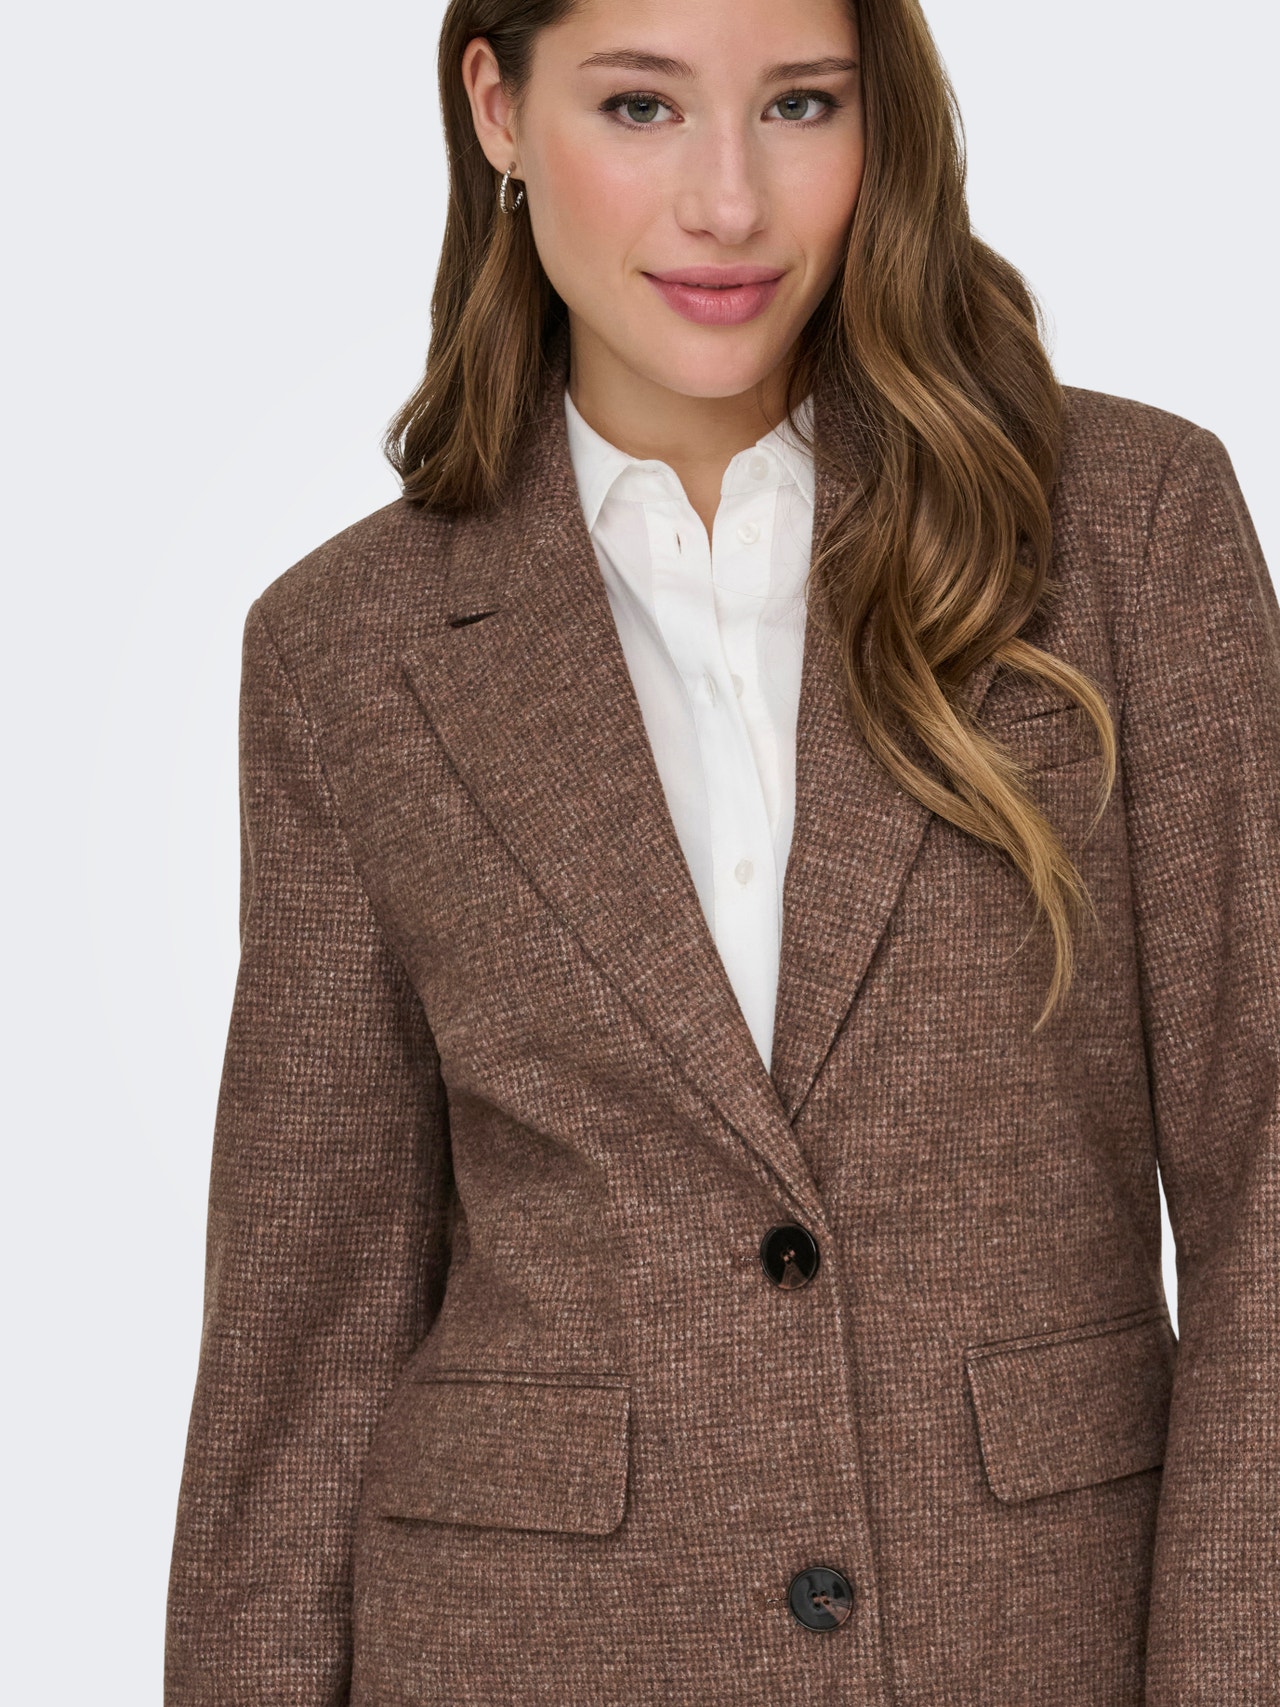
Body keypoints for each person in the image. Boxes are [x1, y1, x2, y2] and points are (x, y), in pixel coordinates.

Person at [164, 0, 1280, 1701]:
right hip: (528, 1650)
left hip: (1030, 1635)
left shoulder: (1128, 534)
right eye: (641, 106)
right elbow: (303, 1344)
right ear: (500, 111)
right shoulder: (348, 650)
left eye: (801, 105)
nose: (730, 203)